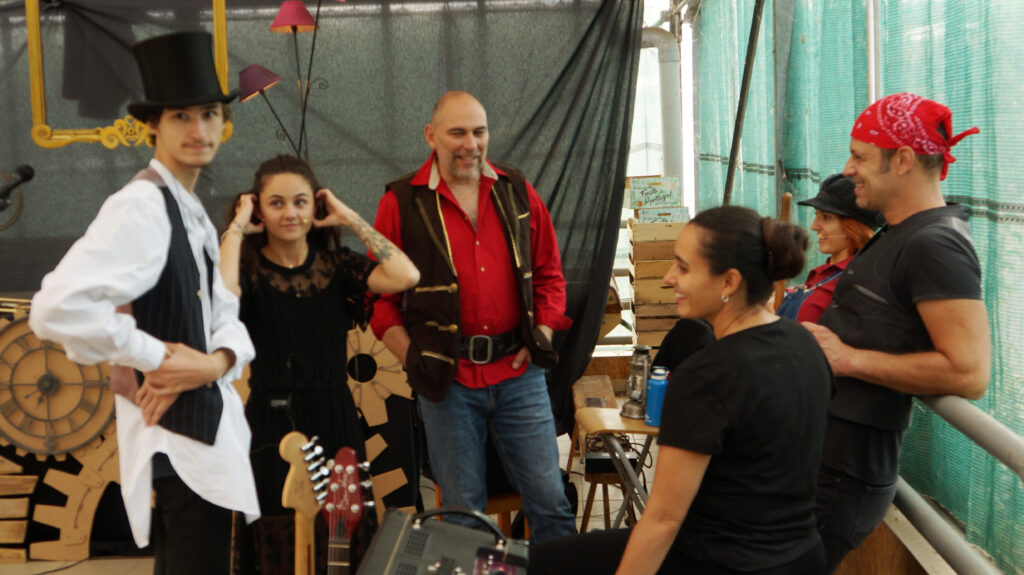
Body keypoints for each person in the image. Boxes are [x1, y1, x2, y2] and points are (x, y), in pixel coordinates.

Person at [29, 31, 258, 574]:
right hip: (179, 445)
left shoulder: (190, 208)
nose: (199, 130)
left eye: (208, 114)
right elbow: (54, 308)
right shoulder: (141, 206)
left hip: (208, 435)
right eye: (181, 117)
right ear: (153, 124)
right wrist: (153, 357)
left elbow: (225, 312)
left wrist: (214, 362)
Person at [532, 206, 832, 575]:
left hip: (721, 562)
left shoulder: (705, 376)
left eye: (684, 267)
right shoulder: (805, 342)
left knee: (535, 565)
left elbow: (662, 521)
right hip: (802, 558)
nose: (669, 276)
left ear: (729, 282)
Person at [370, 90, 576, 542]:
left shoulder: (516, 190)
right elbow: (379, 301)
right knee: (464, 519)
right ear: (431, 136)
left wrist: (539, 333)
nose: (470, 144)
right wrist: (413, 358)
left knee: (551, 503)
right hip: (448, 382)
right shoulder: (400, 202)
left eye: (479, 132)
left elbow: (550, 275)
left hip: (519, 374)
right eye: (457, 132)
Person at [803, 92, 990, 573]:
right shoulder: (902, 231)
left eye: (861, 156)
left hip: (845, 475)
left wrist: (847, 359)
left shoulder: (936, 243)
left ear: (903, 160)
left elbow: (969, 372)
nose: (848, 169)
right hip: (826, 460)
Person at [219, 154, 419, 573]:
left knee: (342, 527)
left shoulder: (337, 267)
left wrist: (348, 218)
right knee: (276, 527)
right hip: (272, 421)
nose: (289, 213)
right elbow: (223, 296)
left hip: (335, 415)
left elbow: (405, 276)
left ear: (315, 207)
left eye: (300, 202)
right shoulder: (248, 271)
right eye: (276, 203)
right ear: (258, 207)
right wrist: (237, 225)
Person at [776, 173, 883, 323]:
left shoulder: (858, 282)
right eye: (816, 215)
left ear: (853, 228)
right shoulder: (825, 273)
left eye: (826, 217)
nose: (814, 226)